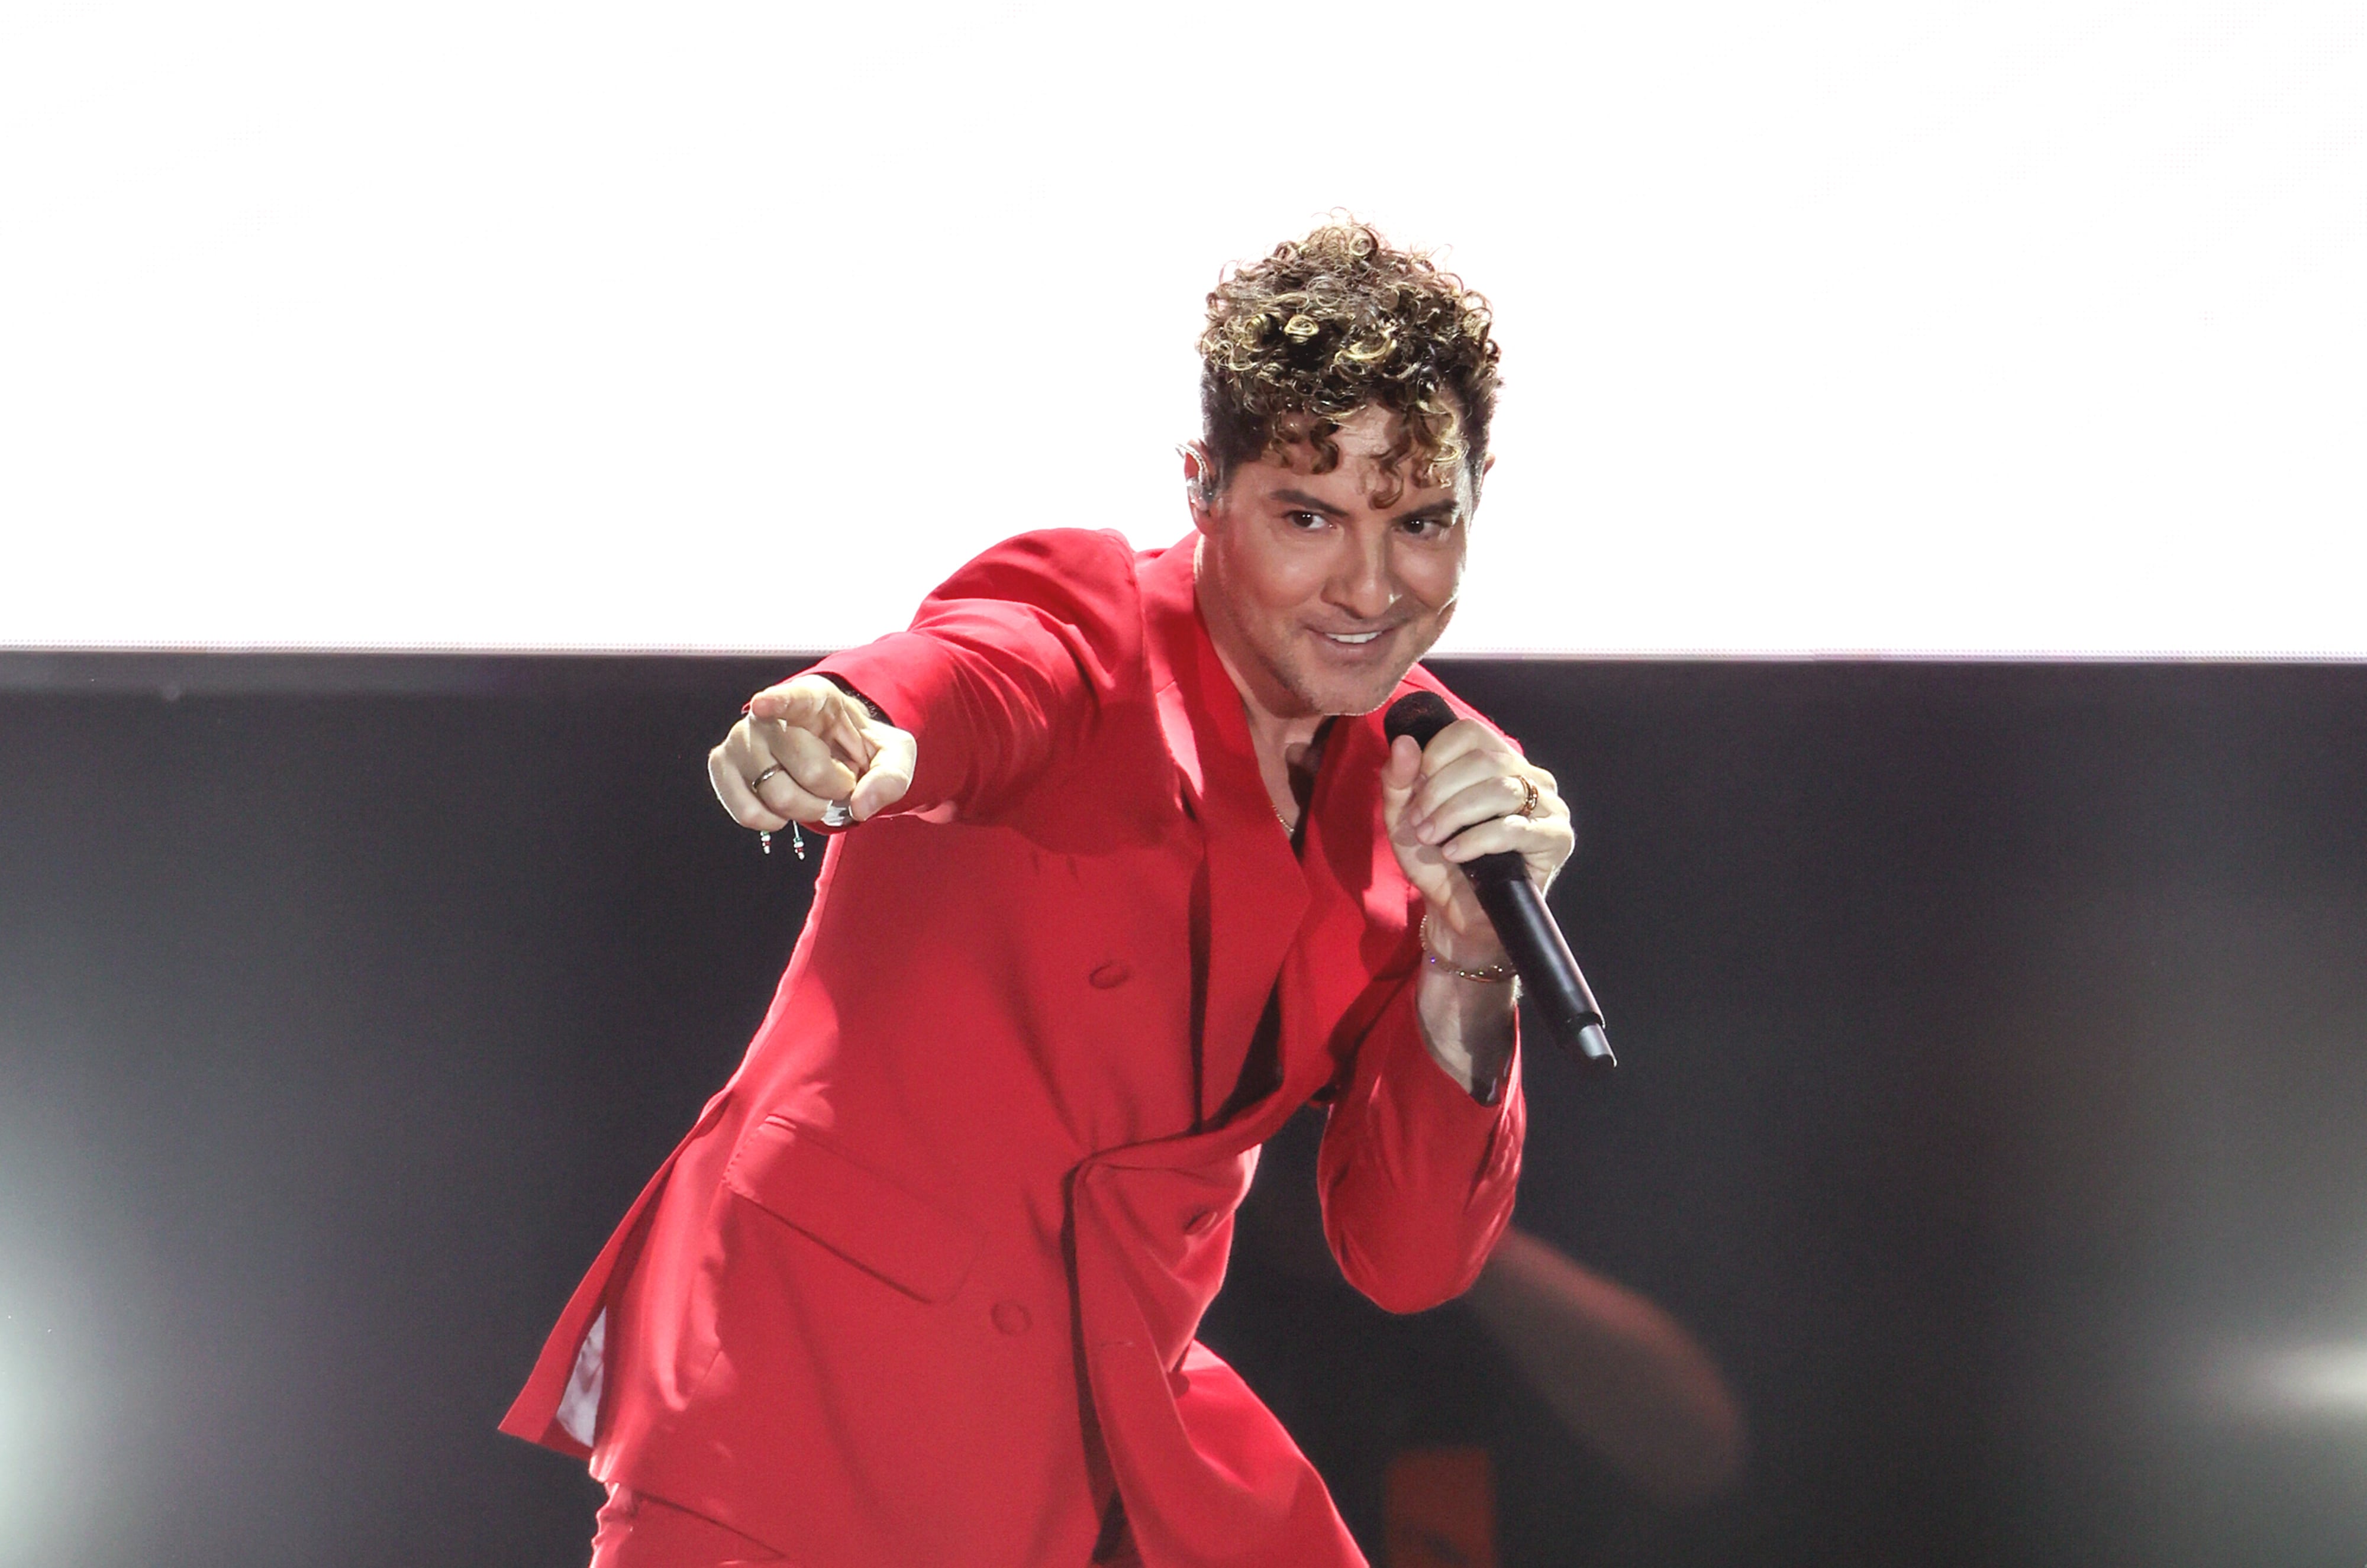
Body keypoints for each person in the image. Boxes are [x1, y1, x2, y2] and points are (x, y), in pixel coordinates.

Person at [501, 220, 1575, 1568]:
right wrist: (856, 730)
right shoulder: (1089, 624)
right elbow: (970, 675)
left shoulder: (1425, 789)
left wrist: (1467, 947)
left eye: (1421, 523)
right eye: (1306, 516)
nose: (1370, 585)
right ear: (1203, 488)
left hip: (1113, 1436)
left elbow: (1407, 1259)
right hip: (807, 1401)